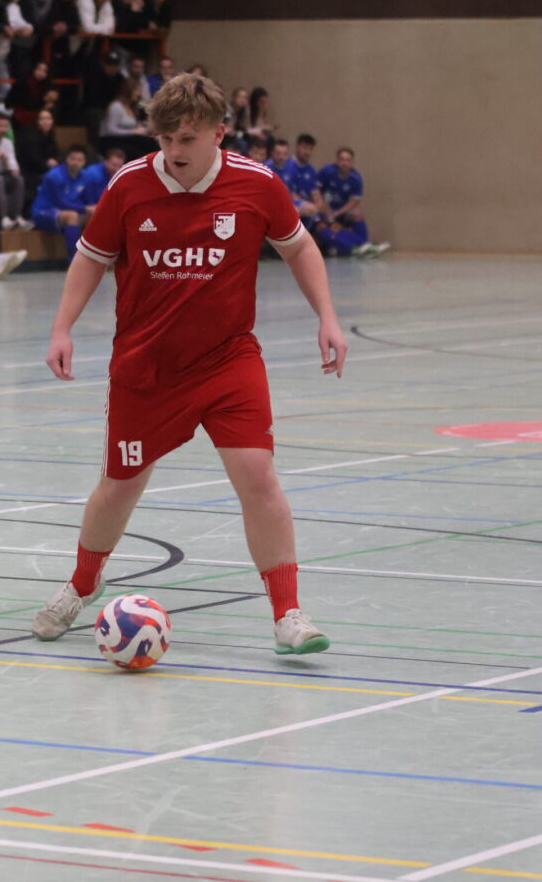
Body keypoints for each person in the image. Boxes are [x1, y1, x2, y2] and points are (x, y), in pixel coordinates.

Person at [31, 74, 346, 656]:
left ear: (218, 134)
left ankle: (288, 613)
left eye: (187, 138)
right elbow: (90, 258)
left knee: (258, 477)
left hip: (228, 360)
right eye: (166, 137)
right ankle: (81, 584)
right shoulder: (129, 185)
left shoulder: (257, 183)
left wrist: (327, 316)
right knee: (119, 487)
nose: (174, 150)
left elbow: (299, 246)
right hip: (146, 367)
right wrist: (61, 328)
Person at [316, 146, 389, 258]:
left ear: (352, 162)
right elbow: (315, 192)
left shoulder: (356, 178)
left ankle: (364, 245)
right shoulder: (327, 172)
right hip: (324, 212)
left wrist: (337, 214)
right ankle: (355, 248)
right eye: (342, 159)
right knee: (321, 229)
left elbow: (354, 202)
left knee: (357, 212)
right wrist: (326, 212)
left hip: (340, 213)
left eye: (348, 160)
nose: (344, 163)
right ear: (337, 161)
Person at [30, 143, 92, 259]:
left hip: (66, 211)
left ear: (84, 162)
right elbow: (61, 203)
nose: (76, 162)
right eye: (73, 159)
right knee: (72, 216)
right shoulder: (54, 176)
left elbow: (87, 201)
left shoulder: (85, 177)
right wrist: (84, 208)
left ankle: (95, 257)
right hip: (44, 211)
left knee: (94, 214)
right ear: (66, 159)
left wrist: (91, 209)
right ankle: (74, 259)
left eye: (80, 160)